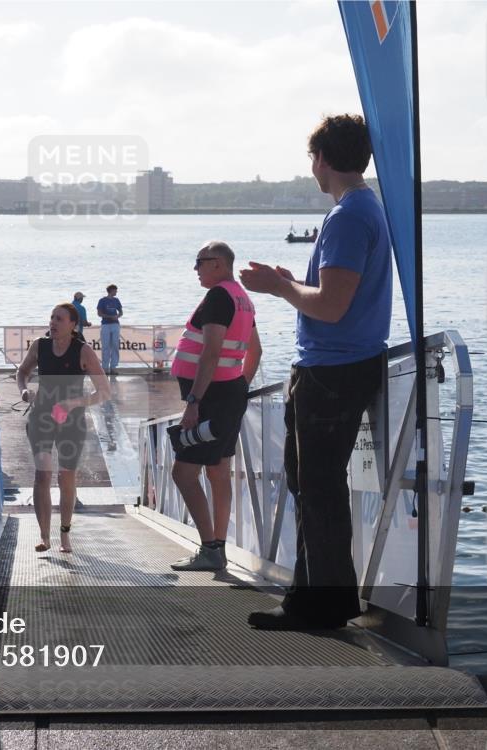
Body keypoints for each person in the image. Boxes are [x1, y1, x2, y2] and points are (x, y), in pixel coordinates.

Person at [239, 114, 392, 630]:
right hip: (343, 364)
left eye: (312, 158)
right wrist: (288, 282)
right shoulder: (365, 209)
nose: (312, 167)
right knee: (312, 484)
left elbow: (330, 307)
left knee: (318, 488)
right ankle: (319, 599)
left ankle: (318, 605)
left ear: (322, 158)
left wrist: (277, 288)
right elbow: (333, 297)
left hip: (333, 370)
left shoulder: (349, 216)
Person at [167, 241, 262, 571]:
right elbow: (256, 352)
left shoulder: (219, 296)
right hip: (229, 393)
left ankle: (210, 549)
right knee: (218, 470)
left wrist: (195, 401)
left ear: (219, 264)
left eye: (200, 262)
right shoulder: (242, 298)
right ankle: (217, 547)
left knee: (183, 473)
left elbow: (210, 352)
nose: (195, 269)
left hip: (211, 397)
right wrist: (239, 388)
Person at [17, 303, 111, 553]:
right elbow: (23, 371)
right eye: (51, 318)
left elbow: (104, 392)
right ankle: (44, 536)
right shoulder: (40, 345)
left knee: (66, 476)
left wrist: (74, 403)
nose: (53, 323)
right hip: (41, 417)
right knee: (42, 474)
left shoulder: (84, 351)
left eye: (59, 319)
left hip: (71, 421)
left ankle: (65, 533)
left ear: (73, 325)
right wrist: (25, 390)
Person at [96, 284, 123, 374]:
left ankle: (113, 367)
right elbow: (99, 313)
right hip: (105, 325)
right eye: (115, 290)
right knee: (105, 346)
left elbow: (121, 312)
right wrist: (110, 317)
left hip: (115, 324)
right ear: (111, 290)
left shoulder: (116, 300)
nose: (116, 292)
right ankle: (104, 368)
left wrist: (117, 316)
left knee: (115, 345)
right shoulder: (102, 300)